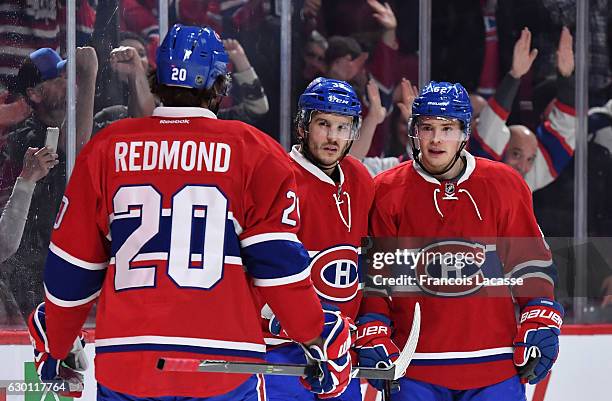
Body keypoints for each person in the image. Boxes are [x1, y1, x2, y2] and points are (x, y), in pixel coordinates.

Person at [25, 24, 353, 400]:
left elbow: (74, 265)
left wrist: (58, 341)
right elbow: (276, 265)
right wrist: (316, 336)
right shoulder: (254, 150)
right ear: (219, 85)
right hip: (222, 366)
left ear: (158, 78)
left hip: (128, 364)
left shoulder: (108, 147)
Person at [362, 81, 563, 400]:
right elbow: (376, 280)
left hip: (495, 367)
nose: (437, 139)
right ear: (415, 132)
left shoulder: (504, 184)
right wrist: (373, 329)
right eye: (427, 128)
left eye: (447, 128)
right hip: (414, 369)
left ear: (465, 134)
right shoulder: (386, 190)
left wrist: (539, 314)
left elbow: (531, 264)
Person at [262, 77, 375, 400]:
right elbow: (254, 270)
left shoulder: (360, 180)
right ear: (303, 126)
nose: (332, 137)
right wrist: (295, 324)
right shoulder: (277, 176)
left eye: (342, 127)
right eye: (323, 124)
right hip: (282, 352)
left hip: (341, 355)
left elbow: (367, 264)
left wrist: (372, 324)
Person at [0, 46, 97, 322]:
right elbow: (73, 153)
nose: (68, 82)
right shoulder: (23, 140)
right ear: (35, 94)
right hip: (27, 271)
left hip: (61, 263)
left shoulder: (80, 123)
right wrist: (89, 77)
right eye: (58, 78)